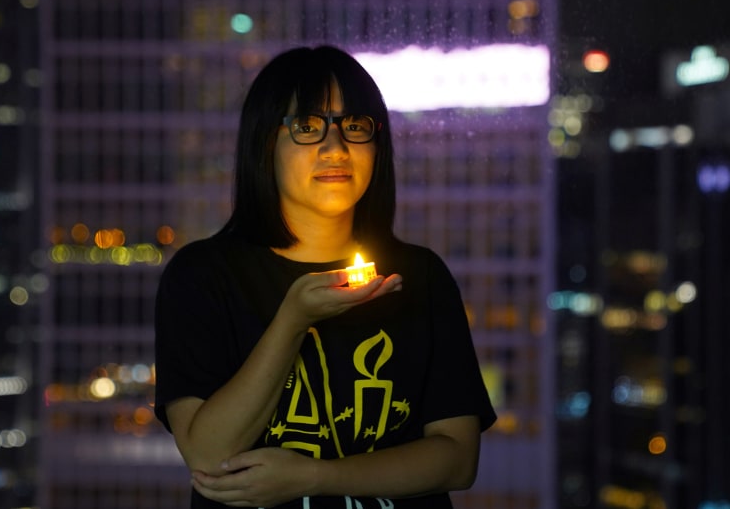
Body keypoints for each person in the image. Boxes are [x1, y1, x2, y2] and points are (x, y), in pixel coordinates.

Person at [154, 45, 497, 509]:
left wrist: (316, 477)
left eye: (354, 127)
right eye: (308, 126)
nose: (335, 149)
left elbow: (458, 460)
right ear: (264, 143)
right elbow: (209, 455)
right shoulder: (205, 276)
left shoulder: (421, 276)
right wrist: (293, 318)